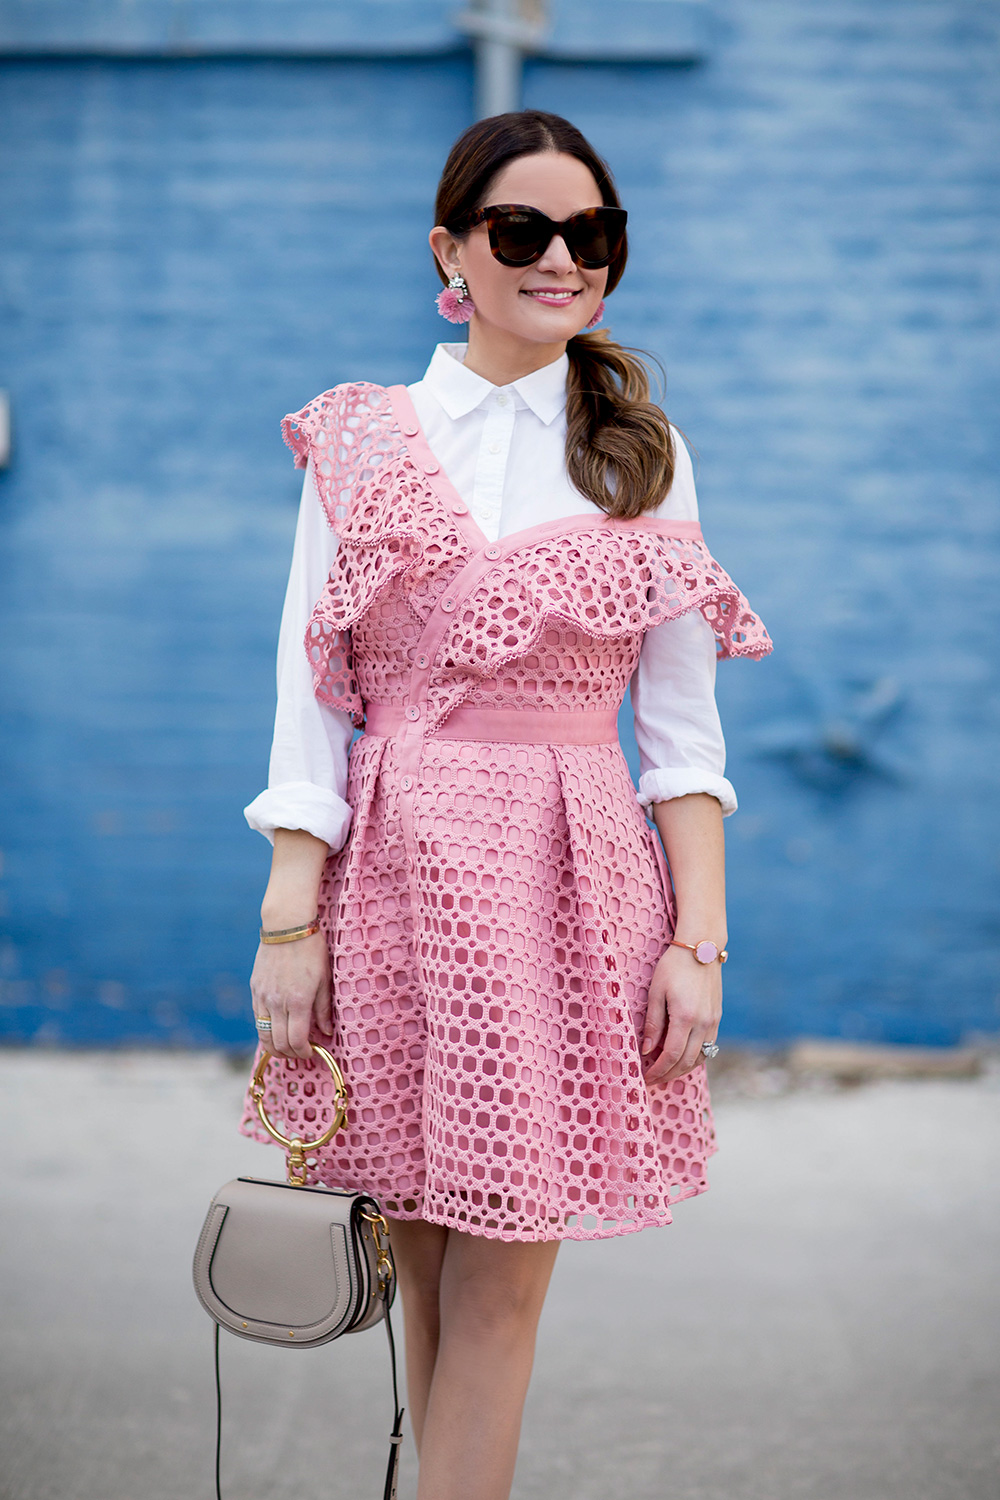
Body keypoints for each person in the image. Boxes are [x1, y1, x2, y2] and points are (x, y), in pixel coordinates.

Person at [240, 109, 771, 1500]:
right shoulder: (362, 439)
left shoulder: (636, 454)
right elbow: (313, 701)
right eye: (521, 231)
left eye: (590, 235)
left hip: (565, 884)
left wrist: (697, 942)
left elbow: (683, 736)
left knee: (501, 1292)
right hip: (396, 885)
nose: (559, 260)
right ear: (451, 252)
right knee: (419, 1266)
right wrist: (288, 923)